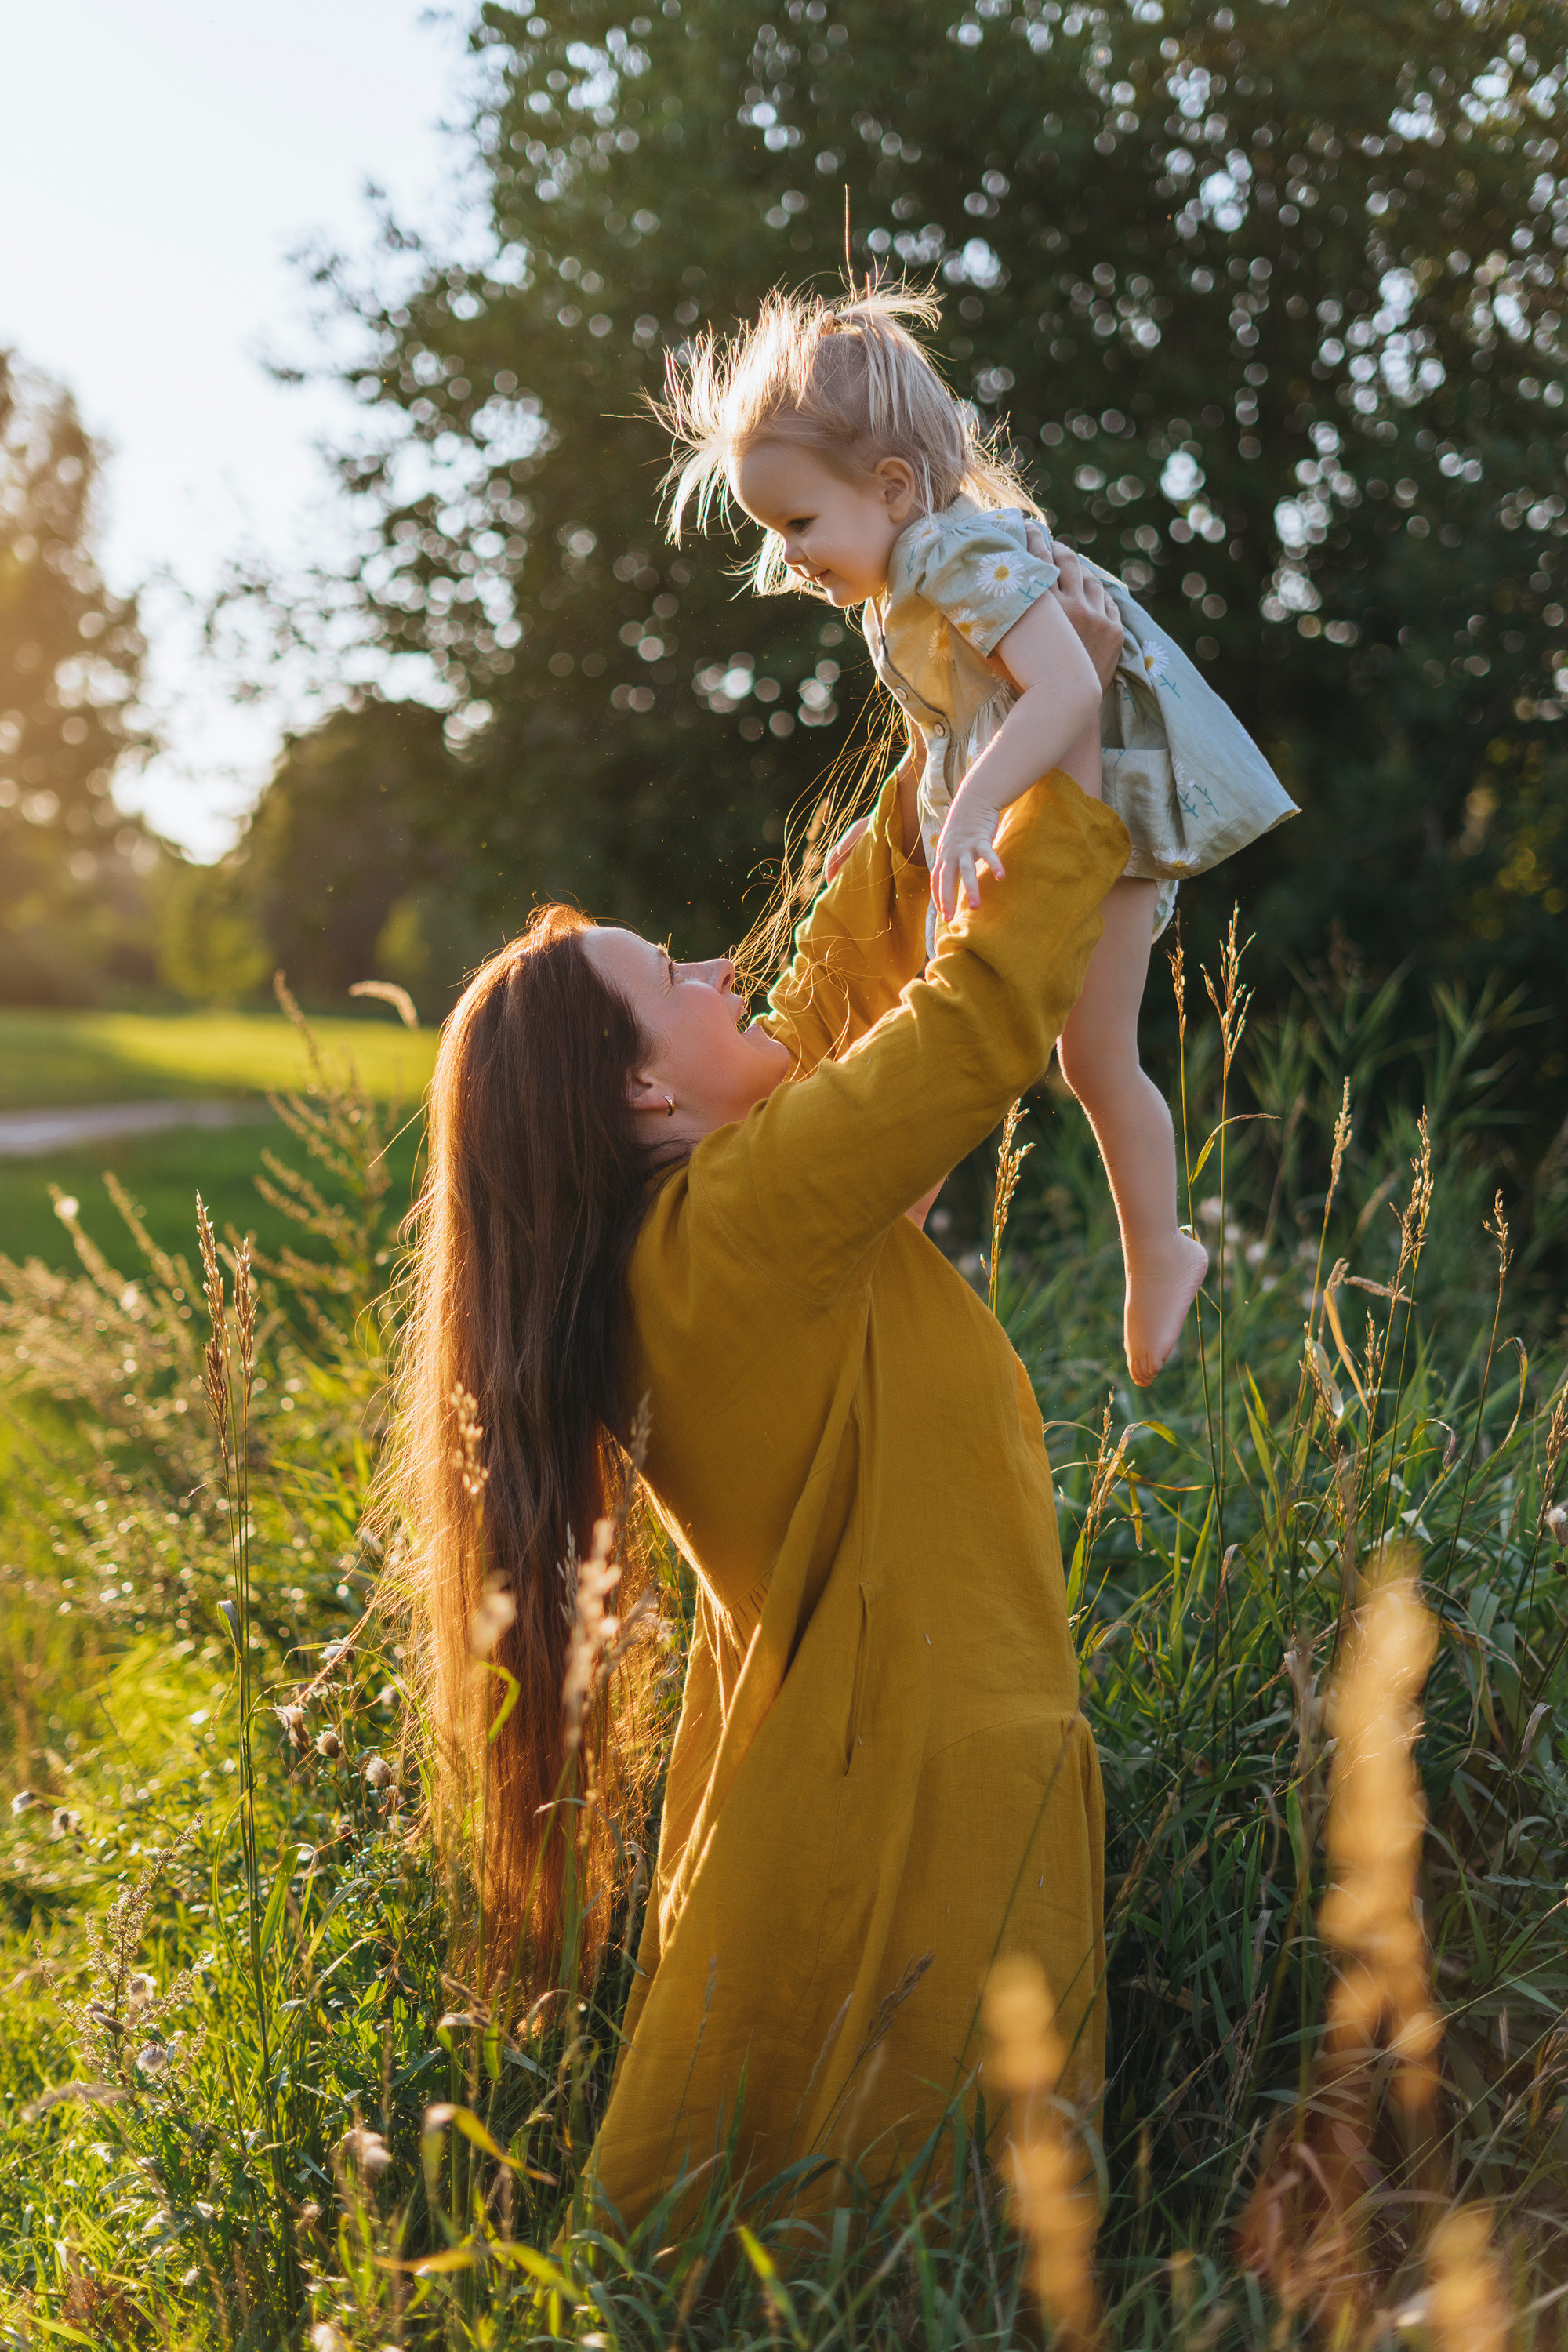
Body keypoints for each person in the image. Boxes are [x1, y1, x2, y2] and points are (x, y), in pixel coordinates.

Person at [392, 557, 1131, 2229]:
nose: (730, 972)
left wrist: (952, 721)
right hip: (928, 1780)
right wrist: (1064, 760)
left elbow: (845, 983)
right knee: (922, 2242)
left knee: (831, 2240)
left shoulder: (697, 1219)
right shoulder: (742, 1221)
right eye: (682, 980)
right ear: (648, 1087)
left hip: (874, 1757)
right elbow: (965, 1027)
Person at [655, 283, 1298, 1386]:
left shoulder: (957, 555)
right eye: (775, 532)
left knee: (1088, 1054)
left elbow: (1064, 693)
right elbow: (948, 736)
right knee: (960, 1032)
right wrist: (895, 823)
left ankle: (1161, 1250)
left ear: (893, 487)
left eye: (800, 523)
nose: (793, 555)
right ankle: (895, 1229)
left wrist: (969, 812)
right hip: (1039, 810)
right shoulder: (894, 594)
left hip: (1114, 814)